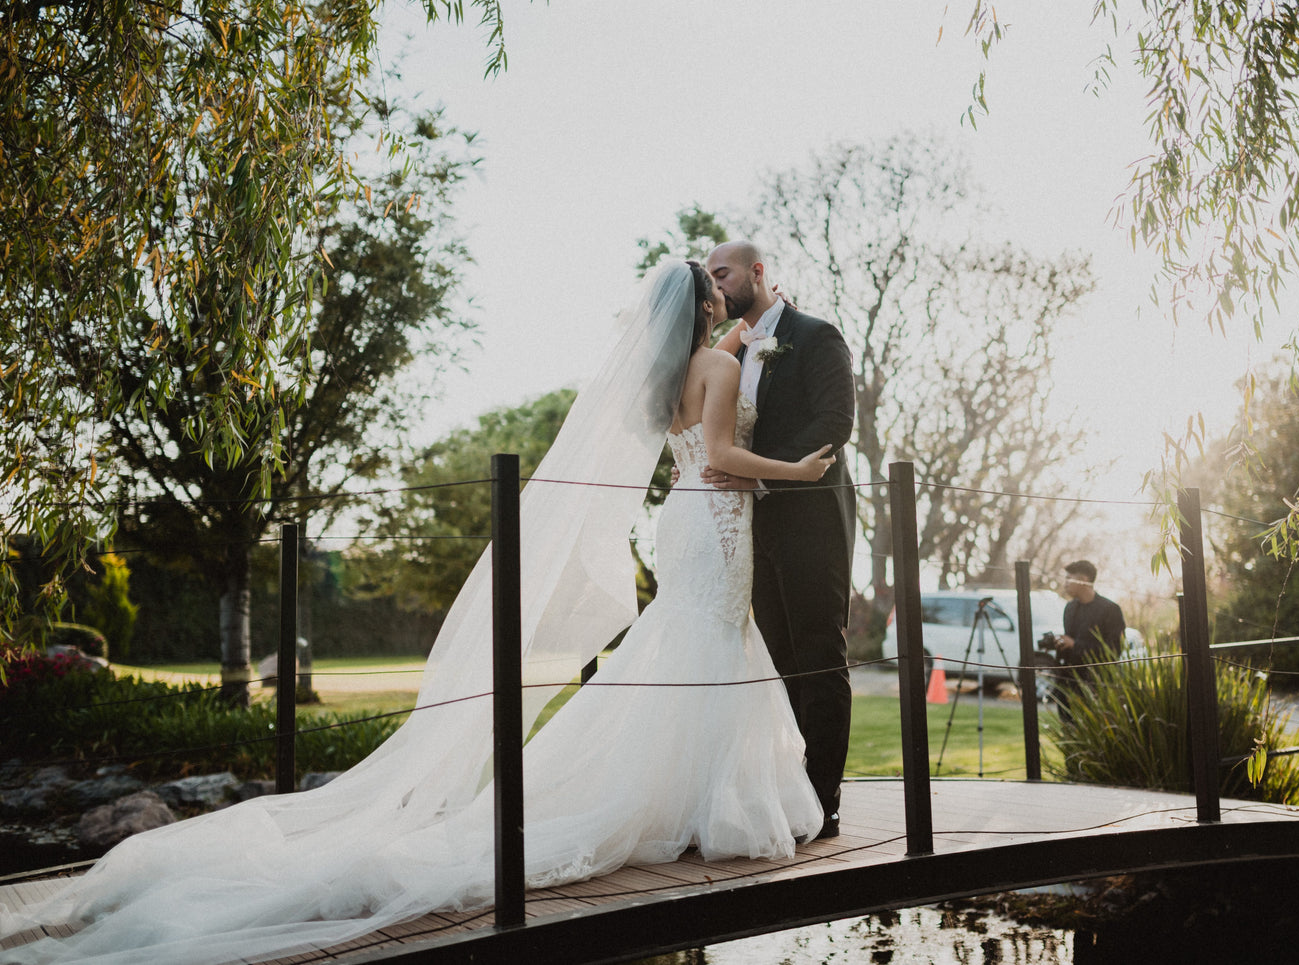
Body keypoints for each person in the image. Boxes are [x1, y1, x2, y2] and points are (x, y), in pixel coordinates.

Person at [0, 260, 831, 965]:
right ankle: (707, 802)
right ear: (709, 308)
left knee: (684, 641)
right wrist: (796, 470)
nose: (727, 300)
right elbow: (722, 454)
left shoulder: (669, 378)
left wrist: (738, 347)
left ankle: (683, 798)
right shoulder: (720, 370)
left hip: (679, 517)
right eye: (718, 294)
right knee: (712, 639)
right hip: (720, 515)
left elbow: (699, 427)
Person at [702, 241, 856, 839]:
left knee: (820, 656)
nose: (716, 286)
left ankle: (825, 801)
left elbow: (834, 424)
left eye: (724, 274)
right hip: (756, 527)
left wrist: (760, 474)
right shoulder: (731, 349)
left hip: (813, 520)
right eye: (710, 278)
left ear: (758, 272)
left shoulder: (817, 336)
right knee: (780, 665)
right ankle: (790, 798)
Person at [1052, 559, 1126, 720]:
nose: (1065, 583)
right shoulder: (1070, 608)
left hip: (1098, 685)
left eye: (1069, 578)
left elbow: (1114, 651)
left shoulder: (1110, 610)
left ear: (1084, 580)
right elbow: (1070, 642)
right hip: (1070, 683)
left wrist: (1075, 644)